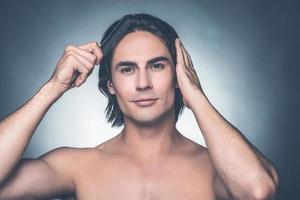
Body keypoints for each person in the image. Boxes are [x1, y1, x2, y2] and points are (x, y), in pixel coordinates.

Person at [0, 13, 279, 200]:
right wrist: (53, 87)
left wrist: (196, 96)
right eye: (127, 69)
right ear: (111, 84)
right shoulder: (77, 165)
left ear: (179, 75)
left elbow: (258, 189)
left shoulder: (216, 169)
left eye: (157, 66)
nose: (143, 83)